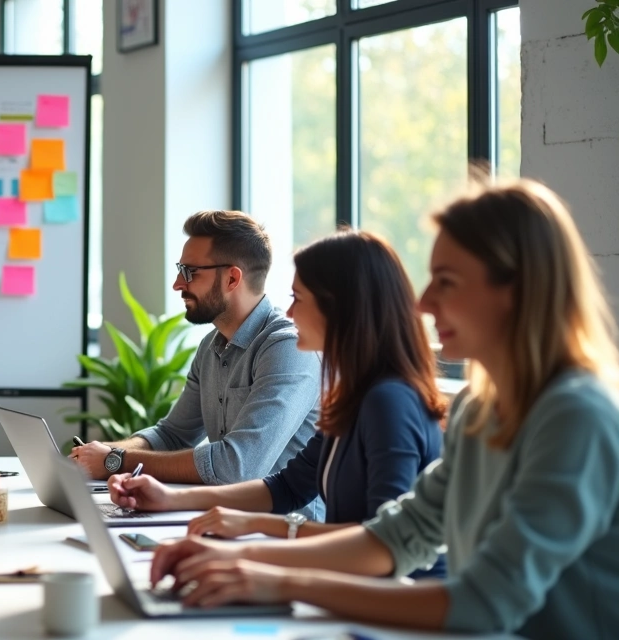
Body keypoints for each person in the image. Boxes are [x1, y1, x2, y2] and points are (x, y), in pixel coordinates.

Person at [149, 179, 619, 638]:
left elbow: (483, 601)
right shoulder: (482, 407)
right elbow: (396, 535)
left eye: (447, 282)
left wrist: (273, 578)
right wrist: (236, 560)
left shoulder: (574, 415)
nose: (424, 301)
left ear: (517, 290)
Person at [110, 230, 446, 578]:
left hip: (397, 608)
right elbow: (287, 487)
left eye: (298, 298)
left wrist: (251, 547)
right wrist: (168, 498)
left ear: (339, 308)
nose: (289, 311)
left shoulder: (387, 401)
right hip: (351, 588)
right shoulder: (356, 396)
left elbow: (378, 545)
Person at [70, 210, 323, 518]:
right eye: (180, 270)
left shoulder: (288, 348)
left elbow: (236, 467)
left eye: (190, 272)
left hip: (286, 536)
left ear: (232, 278)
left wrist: (117, 459)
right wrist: (96, 454)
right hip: (227, 523)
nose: (178, 284)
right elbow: (172, 435)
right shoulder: (211, 347)